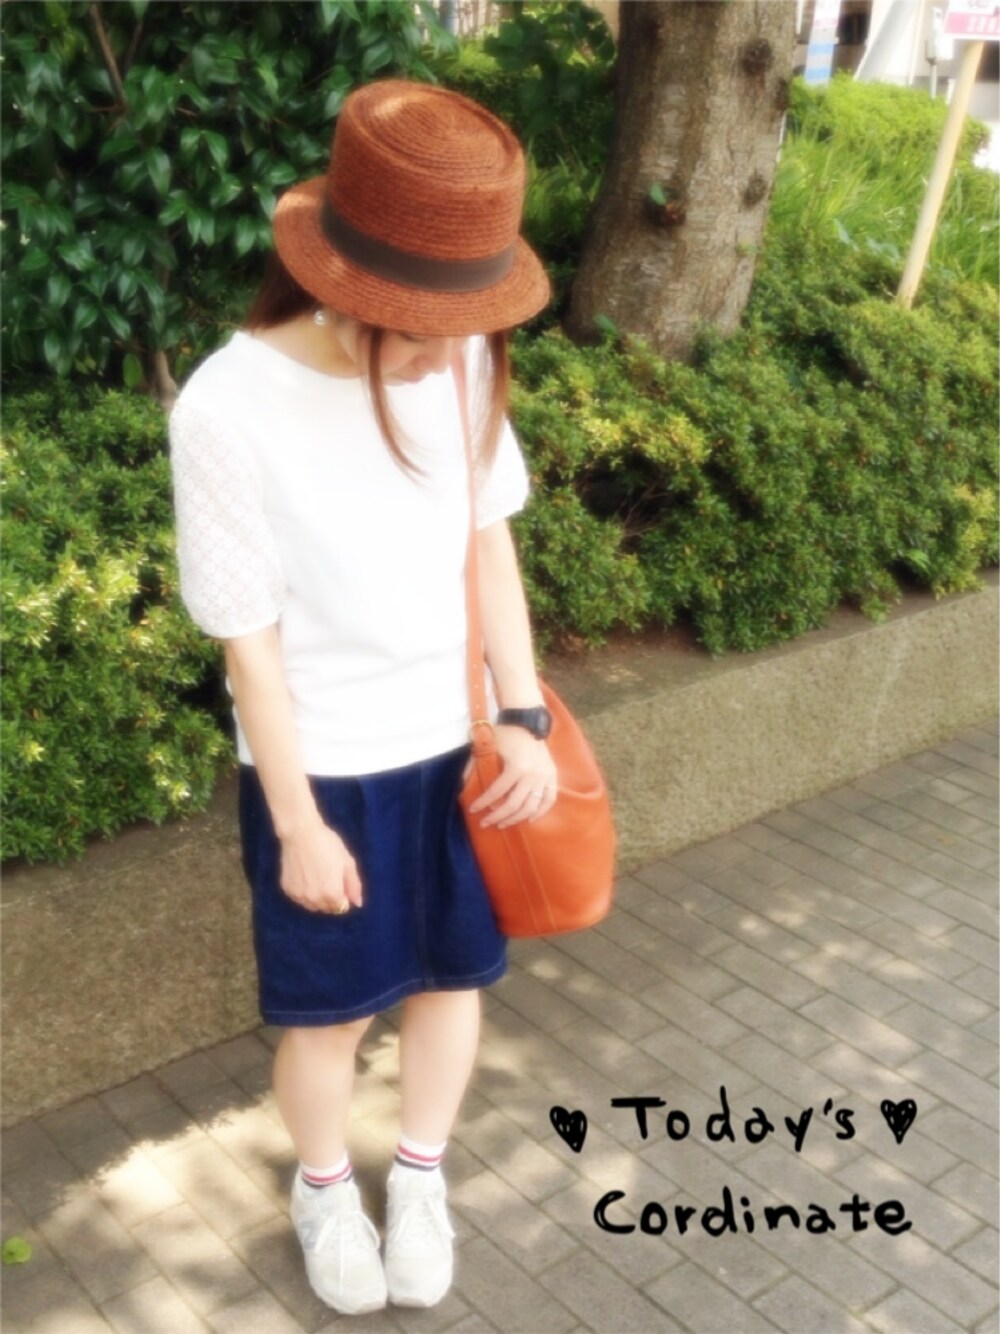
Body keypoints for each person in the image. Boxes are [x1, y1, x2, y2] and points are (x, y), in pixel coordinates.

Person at [169, 79, 555, 1315]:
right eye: (422, 328)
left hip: (455, 746)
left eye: (461, 323)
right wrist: (296, 822)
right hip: (323, 763)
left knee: (453, 980)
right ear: (342, 285)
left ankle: (422, 1174)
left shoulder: (462, 354)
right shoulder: (227, 406)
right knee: (330, 1014)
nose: (450, 352)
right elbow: (248, 640)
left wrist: (524, 713)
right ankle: (327, 1186)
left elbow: (485, 541)